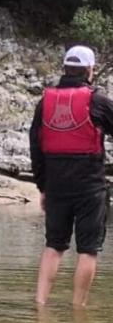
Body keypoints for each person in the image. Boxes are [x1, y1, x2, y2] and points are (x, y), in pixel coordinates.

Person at [30, 45, 113, 307]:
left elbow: (36, 147)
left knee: (54, 245)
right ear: (90, 70)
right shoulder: (98, 101)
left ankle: (40, 305)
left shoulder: (45, 103)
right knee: (88, 249)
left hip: (55, 186)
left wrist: (42, 187)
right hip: (90, 186)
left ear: (65, 69)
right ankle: (79, 308)